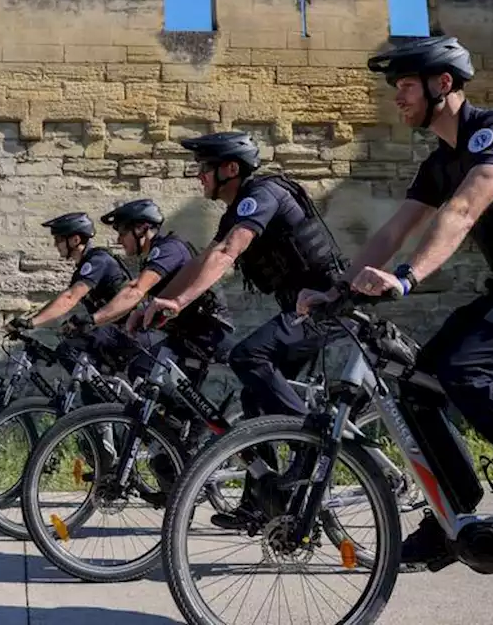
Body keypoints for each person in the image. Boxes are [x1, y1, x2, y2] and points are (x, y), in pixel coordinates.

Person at [299, 35, 493, 569]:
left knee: (466, 370)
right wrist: (339, 289)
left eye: (405, 86)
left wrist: (407, 278)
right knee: (418, 383)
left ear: (443, 84)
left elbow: (464, 210)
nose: (397, 98)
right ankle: (453, 515)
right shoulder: (440, 162)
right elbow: (393, 231)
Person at [129, 130, 349, 529]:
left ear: (230, 169)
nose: (199, 176)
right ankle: (261, 502)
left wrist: (177, 303)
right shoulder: (238, 211)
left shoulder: (262, 196)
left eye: (205, 168)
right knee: (253, 401)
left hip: (327, 307)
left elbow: (230, 253)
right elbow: (208, 258)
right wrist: (153, 305)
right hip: (301, 310)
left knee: (248, 355)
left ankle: (313, 441)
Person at [66, 198, 237, 506]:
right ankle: (173, 452)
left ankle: (191, 444)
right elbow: (145, 298)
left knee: (166, 397)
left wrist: (92, 319)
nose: (118, 239)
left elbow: (135, 291)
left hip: (207, 336)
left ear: (142, 229)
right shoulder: (153, 257)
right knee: (142, 376)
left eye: (121, 231)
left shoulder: (167, 249)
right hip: (182, 337)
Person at [7, 212, 133, 377]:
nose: (55, 244)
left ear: (75, 240)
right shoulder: (84, 267)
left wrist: (32, 323)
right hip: (112, 330)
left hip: (129, 331)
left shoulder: (97, 261)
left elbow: (69, 298)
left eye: (59, 239)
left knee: (68, 350)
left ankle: (99, 399)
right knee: (68, 346)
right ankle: (97, 397)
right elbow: (64, 300)